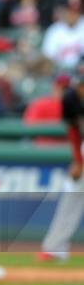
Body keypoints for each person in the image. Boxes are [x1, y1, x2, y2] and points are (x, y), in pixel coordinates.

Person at [37, 71, 84, 261]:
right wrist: (78, 161)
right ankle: (55, 248)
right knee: (73, 191)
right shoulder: (71, 98)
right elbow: (73, 130)